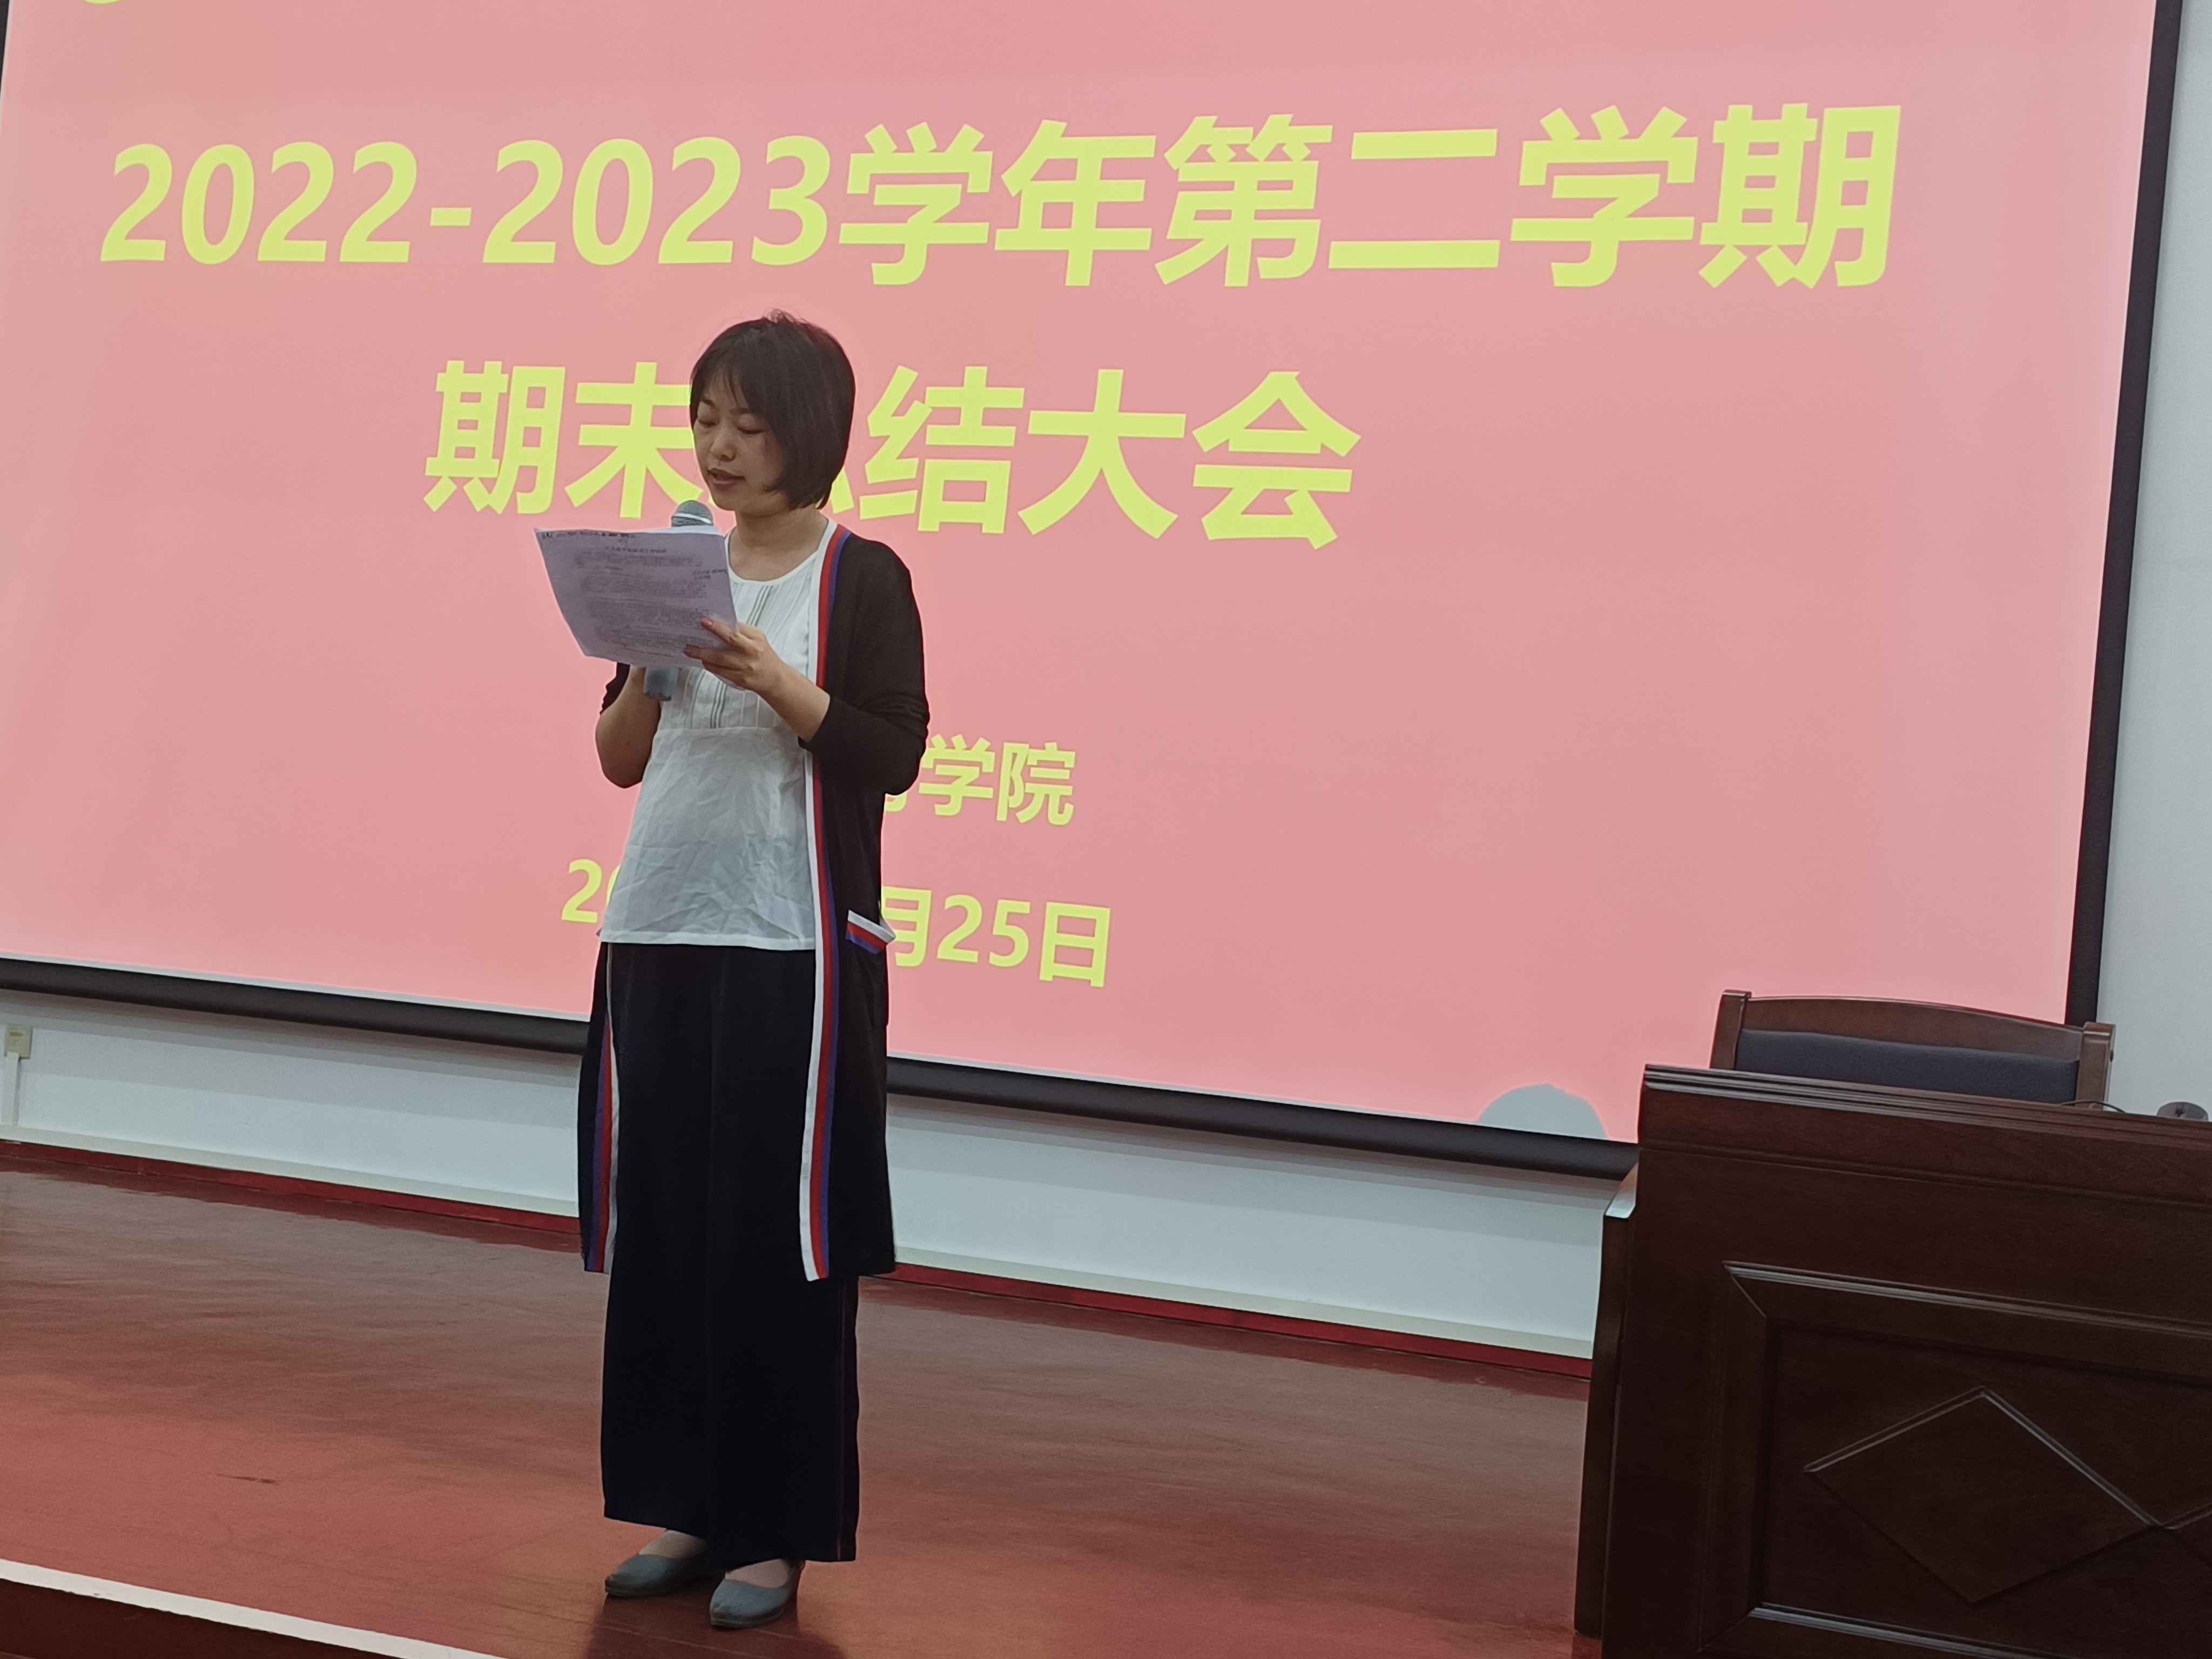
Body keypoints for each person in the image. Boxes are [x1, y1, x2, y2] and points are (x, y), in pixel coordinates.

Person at [576, 312, 927, 1631]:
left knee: (772, 1245)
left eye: (749, 424)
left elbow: (892, 753)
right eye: (705, 419)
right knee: (670, 1231)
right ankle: (686, 1503)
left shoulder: (860, 576)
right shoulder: (675, 566)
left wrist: (776, 680)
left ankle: (772, 1531)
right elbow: (618, 759)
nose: (718, 447)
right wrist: (652, 673)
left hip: (791, 947)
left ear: (810, 435)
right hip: (663, 926)